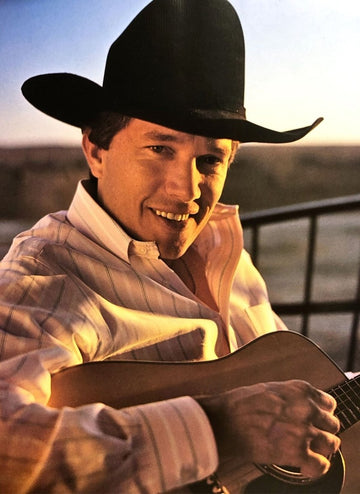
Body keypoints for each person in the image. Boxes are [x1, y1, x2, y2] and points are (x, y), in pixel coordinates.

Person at [0, 1, 340, 493]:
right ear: (96, 149)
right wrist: (217, 427)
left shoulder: (228, 253)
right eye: (161, 148)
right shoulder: (42, 279)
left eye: (210, 160)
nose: (187, 189)